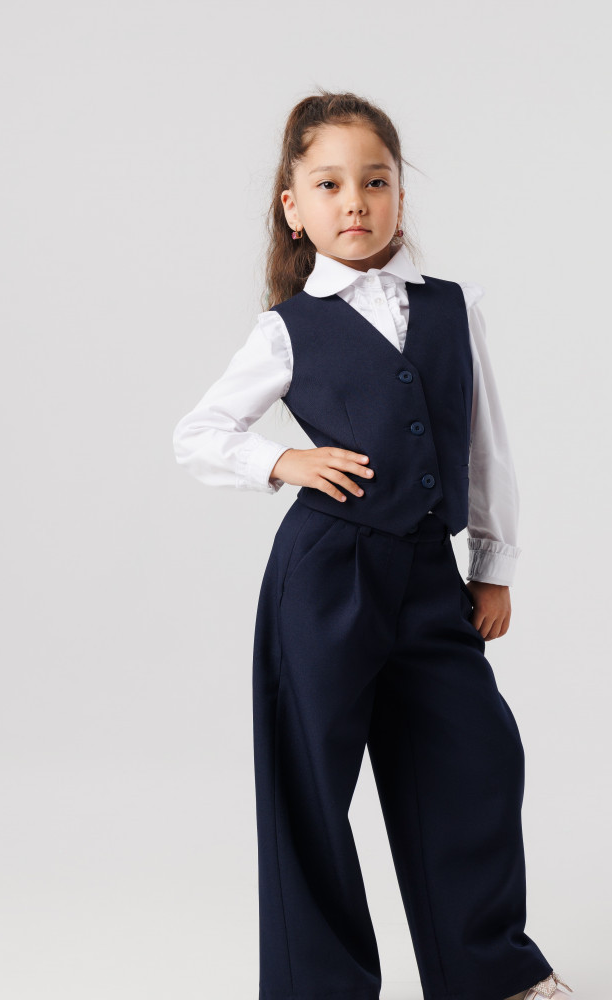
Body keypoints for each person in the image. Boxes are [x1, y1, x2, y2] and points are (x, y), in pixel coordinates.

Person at [172, 89, 575, 1000]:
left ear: (399, 194)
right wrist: (285, 461)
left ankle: (487, 974)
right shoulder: (287, 328)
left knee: (473, 761)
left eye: (375, 181)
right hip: (324, 579)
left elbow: (484, 446)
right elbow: (198, 433)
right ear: (294, 207)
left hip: (429, 578)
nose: (354, 201)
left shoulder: (451, 308)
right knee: (310, 783)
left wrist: (493, 565)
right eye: (328, 184)